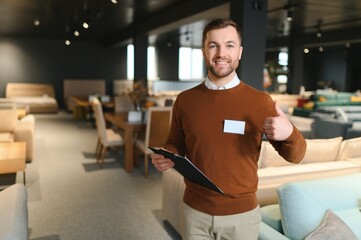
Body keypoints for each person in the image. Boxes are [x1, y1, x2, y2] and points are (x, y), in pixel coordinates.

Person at [151, 18, 306, 240]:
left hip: (241, 218)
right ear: (204, 51)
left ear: (240, 52)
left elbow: (297, 156)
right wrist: (167, 156)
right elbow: (175, 142)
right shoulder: (185, 100)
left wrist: (289, 132)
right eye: (213, 45)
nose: (221, 53)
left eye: (229, 45)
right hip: (194, 213)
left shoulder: (261, 102)